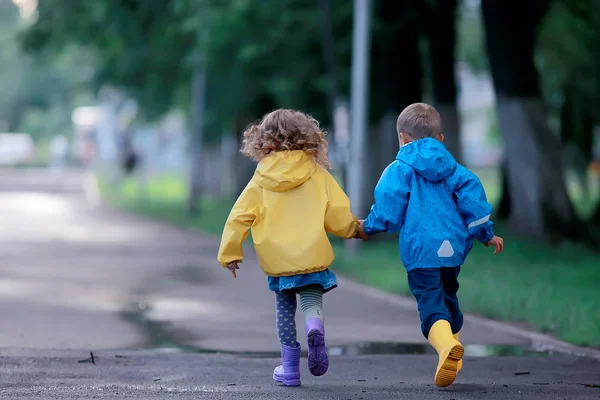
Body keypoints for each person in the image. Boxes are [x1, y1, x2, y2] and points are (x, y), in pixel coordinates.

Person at [217, 109, 367, 387]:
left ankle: (290, 369)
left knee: (285, 310)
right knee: (311, 299)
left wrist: (230, 253)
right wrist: (353, 229)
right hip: (312, 255)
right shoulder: (317, 174)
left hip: (279, 260)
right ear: (307, 137)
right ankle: (314, 325)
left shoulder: (260, 180)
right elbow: (336, 211)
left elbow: (238, 217)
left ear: (263, 141)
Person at [359, 103, 504, 388]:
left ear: (402, 137)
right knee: (449, 295)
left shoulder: (399, 169)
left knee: (430, 301)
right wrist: (485, 234)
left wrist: (368, 227)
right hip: (453, 249)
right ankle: (452, 352)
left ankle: (446, 347)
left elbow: (389, 207)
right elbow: (474, 203)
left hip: (421, 250)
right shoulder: (457, 170)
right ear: (440, 139)